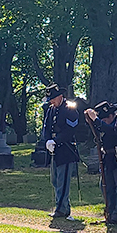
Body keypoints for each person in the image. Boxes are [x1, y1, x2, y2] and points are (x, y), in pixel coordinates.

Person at [41, 84, 80, 220]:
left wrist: (56, 140)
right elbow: (46, 127)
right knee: (55, 179)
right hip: (54, 149)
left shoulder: (70, 109)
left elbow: (70, 130)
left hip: (66, 149)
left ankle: (62, 208)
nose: (51, 101)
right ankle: (62, 206)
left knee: (63, 180)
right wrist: (47, 141)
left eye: (53, 99)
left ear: (60, 96)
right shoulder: (51, 110)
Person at [85, 101, 117, 226]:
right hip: (107, 158)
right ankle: (110, 212)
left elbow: (110, 130)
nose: (104, 121)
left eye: (105, 118)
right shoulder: (103, 124)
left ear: (111, 115)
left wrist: (96, 120)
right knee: (106, 187)